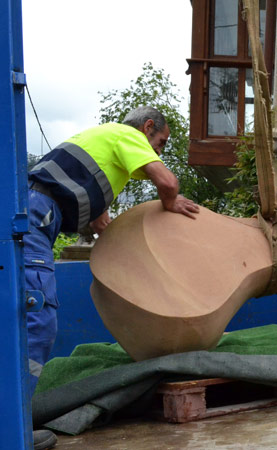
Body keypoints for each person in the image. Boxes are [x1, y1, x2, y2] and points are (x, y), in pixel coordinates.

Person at [25, 106, 199, 448]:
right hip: (36, 220)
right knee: (37, 321)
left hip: (30, 213)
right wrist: (171, 201)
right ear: (147, 128)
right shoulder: (127, 136)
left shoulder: (102, 153)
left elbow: (103, 225)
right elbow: (168, 182)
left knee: (18, 317)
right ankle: (11, 428)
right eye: (160, 143)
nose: (160, 152)